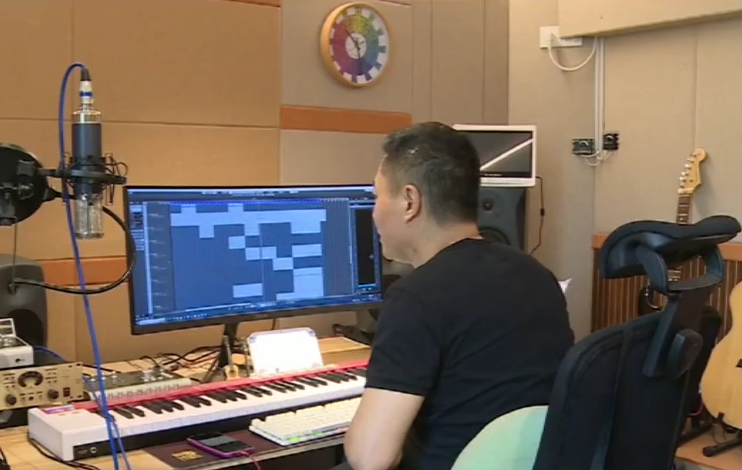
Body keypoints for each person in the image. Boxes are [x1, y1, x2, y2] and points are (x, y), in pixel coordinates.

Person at [338, 122, 574, 470]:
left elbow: (370, 458)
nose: (373, 212)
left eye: (376, 196)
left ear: (410, 201)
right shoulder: (537, 274)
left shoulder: (416, 297)